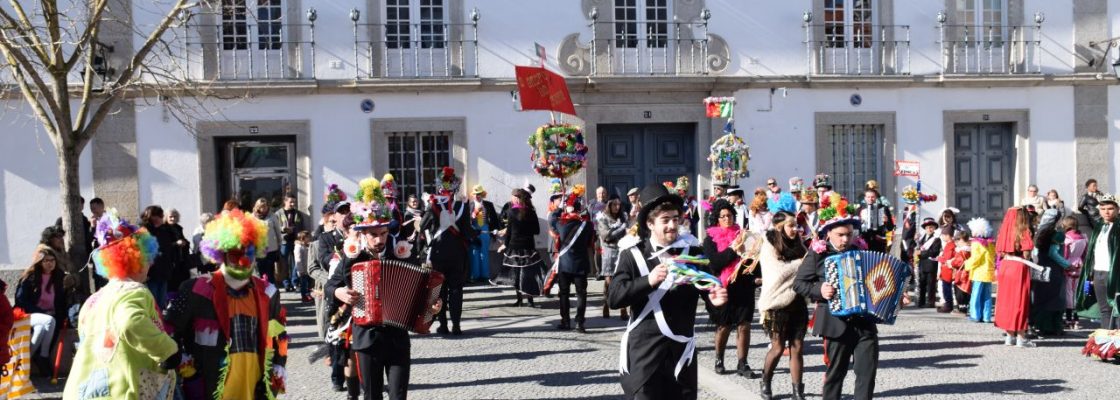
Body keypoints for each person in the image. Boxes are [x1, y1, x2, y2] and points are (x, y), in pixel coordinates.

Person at [608, 183, 729, 399]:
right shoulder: (633, 254)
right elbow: (615, 298)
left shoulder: (693, 253)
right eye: (665, 220)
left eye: (675, 219)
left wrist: (716, 303)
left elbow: (711, 296)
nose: (672, 225)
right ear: (650, 224)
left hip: (681, 359)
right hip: (645, 357)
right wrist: (648, 281)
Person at [325, 177, 441, 400]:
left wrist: (432, 307)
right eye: (373, 235)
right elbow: (331, 286)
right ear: (362, 233)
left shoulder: (402, 255)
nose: (379, 240)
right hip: (367, 339)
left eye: (383, 234)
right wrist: (339, 292)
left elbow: (421, 290)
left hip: (397, 338)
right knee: (372, 396)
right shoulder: (353, 258)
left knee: (399, 395)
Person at [165, 209, 289, 399]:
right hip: (210, 387)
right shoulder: (196, 290)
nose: (243, 261)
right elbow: (169, 330)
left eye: (249, 253)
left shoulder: (268, 292)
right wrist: (183, 363)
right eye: (235, 254)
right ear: (221, 254)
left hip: (254, 387)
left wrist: (279, 363)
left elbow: (279, 333)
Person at [64, 211, 179, 399]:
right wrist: (167, 351)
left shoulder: (93, 300)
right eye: (147, 259)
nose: (150, 265)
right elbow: (130, 322)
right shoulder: (133, 291)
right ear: (136, 261)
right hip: (122, 389)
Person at [793, 198, 878, 400]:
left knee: (867, 374)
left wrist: (896, 296)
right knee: (836, 374)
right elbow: (799, 284)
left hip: (864, 322)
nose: (845, 239)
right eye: (840, 235)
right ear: (828, 233)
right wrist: (819, 289)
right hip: (835, 323)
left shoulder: (861, 251)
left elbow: (877, 280)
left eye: (849, 234)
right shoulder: (818, 253)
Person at [704, 200, 761, 378]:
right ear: (717, 219)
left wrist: (757, 276)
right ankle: (719, 359)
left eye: (729, 215)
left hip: (744, 285)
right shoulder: (710, 240)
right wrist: (733, 249)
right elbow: (715, 263)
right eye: (723, 216)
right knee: (724, 325)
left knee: (744, 325)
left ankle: (743, 363)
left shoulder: (743, 235)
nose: (727, 219)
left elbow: (753, 258)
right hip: (724, 287)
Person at [757, 211, 809, 400]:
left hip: (797, 302)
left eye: (796, 225)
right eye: (791, 225)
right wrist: (801, 263)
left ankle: (797, 391)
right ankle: (766, 381)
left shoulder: (799, 244)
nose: (795, 229)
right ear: (780, 227)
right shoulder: (769, 244)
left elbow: (808, 269)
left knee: (797, 347)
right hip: (776, 303)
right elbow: (778, 273)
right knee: (778, 348)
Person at [420, 167, 476, 335]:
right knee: (456, 289)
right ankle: (456, 326)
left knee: (440, 290)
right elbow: (467, 232)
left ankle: (443, 325)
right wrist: (477, 233)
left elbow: (422, 226)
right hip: (457, 254)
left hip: (438, 254)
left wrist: (428, 210)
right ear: (455, 189)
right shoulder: (462, 206)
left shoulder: (433, 205)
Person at [15, 245, 71, 375]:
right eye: (46, 261)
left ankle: (28, 359)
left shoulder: (59, 277)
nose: (50, 263)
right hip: (29, 314)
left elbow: (62, 301)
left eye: (52, 260)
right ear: (40, 262)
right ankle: (43, 357)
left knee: (42, 328)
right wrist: (42, 312)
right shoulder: (29, 277)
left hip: (50, 315)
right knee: (49, 321)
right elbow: (21, 301)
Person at [994, 206, 1037, 347]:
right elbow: (1026, 253)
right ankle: (1021, 338)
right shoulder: (1023, 231)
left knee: (1007, 302)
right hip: (1018, 267)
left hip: (1005, 266)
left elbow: (1000, 252)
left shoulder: (1003, 231)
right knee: (1020, 301)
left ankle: (1009, 336)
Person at [496, 188, 547, 307]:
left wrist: (505, 245)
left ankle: (519, 300)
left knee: (516, 274)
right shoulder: (531, 212)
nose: (511, 199)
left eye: (513, 197)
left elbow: (509, 232)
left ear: (517, 199)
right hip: (528, 246)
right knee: (529, 274)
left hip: (514, 247)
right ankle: (530, 300)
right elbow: (537, 230)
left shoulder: (511, 212)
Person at [554, 188, 596, 332]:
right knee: (581, 294)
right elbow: (591, 242)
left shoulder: (560, 224)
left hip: (565, 264)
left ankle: (565, 321)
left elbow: (552, 219)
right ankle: (579, 323)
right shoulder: (588, 225)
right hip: (580, 264)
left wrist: (560, 208)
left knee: (564, 293)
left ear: (568, 208)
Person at [1077, 193, 1120, 330]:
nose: (1106, 212)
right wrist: (1090, 274)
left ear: (1117, 210)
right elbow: (1092, 253)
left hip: (1114, 273)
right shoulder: (1099, 227)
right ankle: (1107, 339)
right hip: (1098, 272)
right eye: (1103, 209)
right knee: (1104, 310)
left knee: (1117, 309)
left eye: (1110, 208)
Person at [1031, 209, 1073, 336]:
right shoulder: (1057, 234)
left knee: (1042, 296)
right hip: (1053, 269)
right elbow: (1053, 253)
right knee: (1055, 297)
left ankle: (1041, 325)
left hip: (1041, 267)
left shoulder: (1039, 232)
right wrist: (1067, 265)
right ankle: (1053, 327)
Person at [597, 195, 629, 319]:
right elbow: (606, 237)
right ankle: (606, 304)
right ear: (609, 205)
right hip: (609, 251)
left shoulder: (623, 216)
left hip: (621, 250)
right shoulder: (603, 218)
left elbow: (628, 232)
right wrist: (621, 228)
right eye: (614, 204)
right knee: (609, 282)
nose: (617, 207)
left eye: (619, 204)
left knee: (623, 279)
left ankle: (623, 308)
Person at [140, 205, 175, 309]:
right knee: (153, 302)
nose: (161, 218)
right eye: (159, 216)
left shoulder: (165, 230)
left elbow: (169, 250)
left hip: (164, 271)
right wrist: (145, 272)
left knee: (161, 302)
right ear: (152, 217)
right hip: (151, 273)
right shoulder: (144, 232)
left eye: (161, 216)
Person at [275, 194, 308, 293]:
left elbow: (302, 226)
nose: (293, 204)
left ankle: (295, 282)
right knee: (284, 264)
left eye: (294, 202)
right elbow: (275, 227)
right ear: (285, 202)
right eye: (291, 202)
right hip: (284, 241)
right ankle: (286, 284)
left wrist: (302, 237)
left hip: (296, 241)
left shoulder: (298, 213)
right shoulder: (278, 214)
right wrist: (283, 229)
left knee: (297, 263)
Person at [964, 218, 996, 323]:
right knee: (987, 296)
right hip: (988, 272)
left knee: (976, 295)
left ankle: (975, 315)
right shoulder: (991, 243)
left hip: (979, 273)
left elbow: (975, 258)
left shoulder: (976, 243)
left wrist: (967, 265)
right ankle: (986, 316)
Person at [468, 184, 501, 283]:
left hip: (485, 230)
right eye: (475, 194)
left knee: (484, 253)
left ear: (482, 194)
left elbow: (494, 219)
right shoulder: (469, 205)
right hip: (473, 230)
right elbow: (466, 221)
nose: (477, 196)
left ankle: (485, 276)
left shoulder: (488, 205)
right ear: (473, 195)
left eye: (479, 194)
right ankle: (474, 276)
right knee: (474, 252)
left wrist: (495, 232)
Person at [1061, 216, 1087, 329]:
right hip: (1079, 265)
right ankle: (1076, 319)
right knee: (1077, 292)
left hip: (1068, 266)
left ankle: (1069, 319)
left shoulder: (1067, 238)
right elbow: (1085, 254)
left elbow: (1065, 255)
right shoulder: (1083, 237)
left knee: (1068, 293)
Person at [252, 198, 283, 285]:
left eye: (265, 206)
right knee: (260, 270)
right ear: (257, 207)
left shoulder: (272, 216)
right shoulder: (252, 217)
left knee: (270, 270)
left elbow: (277, 231)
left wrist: (279, 243)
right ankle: (262, 288)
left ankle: (271, 289)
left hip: (271, 248)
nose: (264, 208)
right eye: (261, 206)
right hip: (258, 248)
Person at [165, 208, 192, 299]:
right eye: (170, 217)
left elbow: (184, 240)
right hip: (171, 262)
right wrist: (176, 243)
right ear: (166, 217)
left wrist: (185, 243)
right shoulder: (164, 229)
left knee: (182, 283)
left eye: (175, 217)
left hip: (181, 261)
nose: (173, 219)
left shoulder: (178, 228)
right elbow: (164, 246)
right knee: (172, 286)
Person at [915, 218, 942, 308]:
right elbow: (918, 249)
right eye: (927, 228)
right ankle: (921, 301)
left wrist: (921, 253)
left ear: (934, 228)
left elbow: (934, 252)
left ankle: (931, 302)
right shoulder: (921, 238)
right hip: (922, 264)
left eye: (931, 227)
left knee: (931, 285)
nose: (929, 229)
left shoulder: (936, 239)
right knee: (922, 283)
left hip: (931, 265)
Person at [294, 231, 313, 302]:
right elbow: (298, 260)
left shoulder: (306, 245)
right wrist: (300, 271)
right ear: (302, 238)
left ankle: (309, 295)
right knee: (304, 284)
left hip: (308, 268)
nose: (309, 238)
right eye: (308, 237)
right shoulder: (298, 247)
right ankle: (304, 296)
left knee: (309, 283)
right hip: (303, 270)